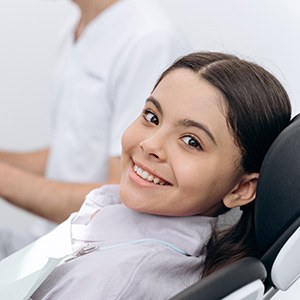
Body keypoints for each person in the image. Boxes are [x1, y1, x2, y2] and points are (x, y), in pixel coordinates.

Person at [0, 51, 291, 299]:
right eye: (152, 117)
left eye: (191, 141)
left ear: (241, 189)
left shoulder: (116, 278)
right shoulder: (119, 225)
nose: (149, 144)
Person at [0, 0, 188, 254]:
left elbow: (120, 194)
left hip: (80, 257)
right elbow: (72, 151)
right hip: (41, 240)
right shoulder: (76, 29)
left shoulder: (149, 40)